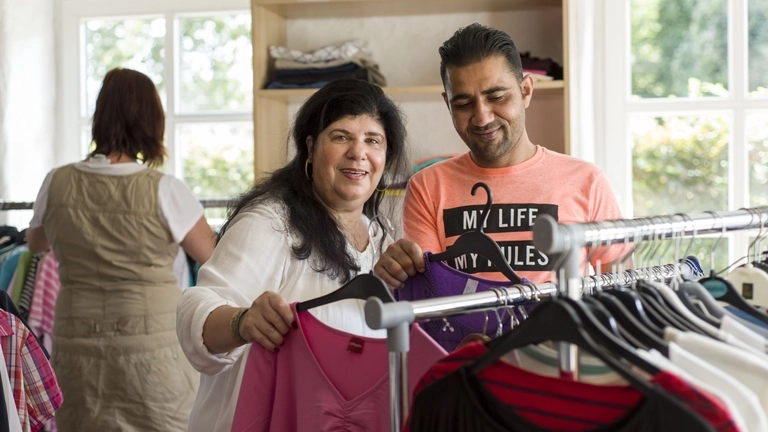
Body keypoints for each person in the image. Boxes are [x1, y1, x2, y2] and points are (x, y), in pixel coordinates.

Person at [175, 78, 409, 432]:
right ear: (311, 148)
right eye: (341, 136)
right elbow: (196, 311)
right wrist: (243, 322)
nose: (358, 152)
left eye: (373, 140)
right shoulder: (271, 223)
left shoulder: (381, 237)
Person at [26, 68, 216, 431]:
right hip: (152, 346)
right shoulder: (165, 189)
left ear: (100, 116)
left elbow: (37, 244)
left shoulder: (57, 181)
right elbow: (211, 255)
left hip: (76, 340)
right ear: (150, 120)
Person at [374, 23, 627, 288]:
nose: (482, 117)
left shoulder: (587, 181)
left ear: (526, 91)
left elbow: (622, 292)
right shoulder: (427, 186)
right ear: (448, 105)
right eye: (463, 104)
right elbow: (432, 297)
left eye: (497, 97)